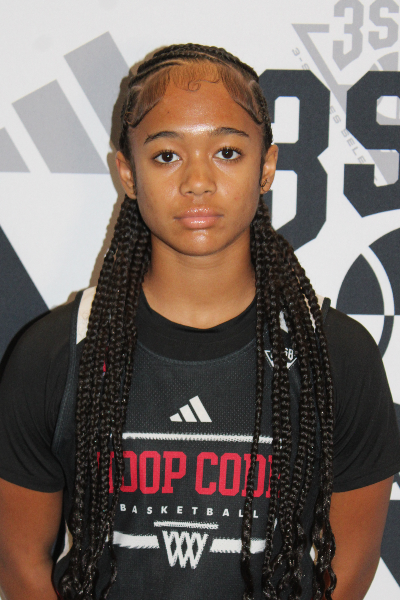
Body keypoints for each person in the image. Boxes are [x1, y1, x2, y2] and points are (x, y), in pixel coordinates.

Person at [0, 43, 399, 600]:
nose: (197, 180)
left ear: (266, 167)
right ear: (128, 173)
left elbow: (349, 569)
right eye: (166, 155)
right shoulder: (55, 353)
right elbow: (20, 565)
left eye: (228, 152)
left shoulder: (335, 355)